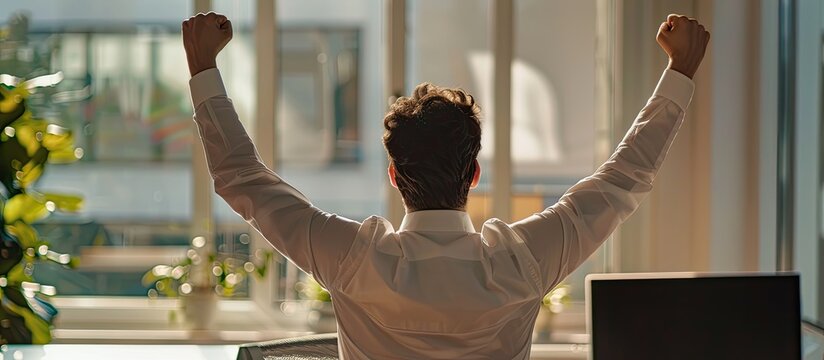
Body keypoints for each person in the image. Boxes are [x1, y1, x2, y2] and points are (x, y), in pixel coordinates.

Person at [182, 13, 709, 360]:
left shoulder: (353, 258)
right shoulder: (521, 262)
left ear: (395, 176)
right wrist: (680, 69)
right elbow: (622, 180)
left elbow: (241, 178)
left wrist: (203, 64)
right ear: (473, 174)